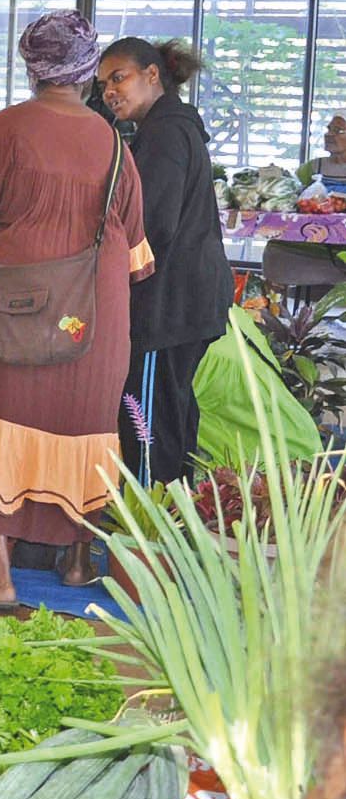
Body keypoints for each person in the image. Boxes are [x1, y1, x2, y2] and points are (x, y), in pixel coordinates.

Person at [0, 11, 152, 605]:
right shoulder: (112, 140)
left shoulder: (4, 130)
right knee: (82, 427)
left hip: (23, 314)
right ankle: (77, 563)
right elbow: (137, 256)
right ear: (85, 70)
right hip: (99, 319)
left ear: (33, 68)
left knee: (1, 423)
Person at [97, 37, 231, 486]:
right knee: (169, 413)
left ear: (152, 75)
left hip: (168, 304)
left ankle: (152, 530)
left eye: (119, 78)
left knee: (148, 421)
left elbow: (153, 224)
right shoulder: (168, 127)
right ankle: (175, 521)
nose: (110, 92)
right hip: (185, 301)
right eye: (103, 85)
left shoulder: (166, 132)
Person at [296, 112, 346, 190]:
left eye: (337, 130)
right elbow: (296, 192)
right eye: (329, 129)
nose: (329, 134)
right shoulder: (313, 167)